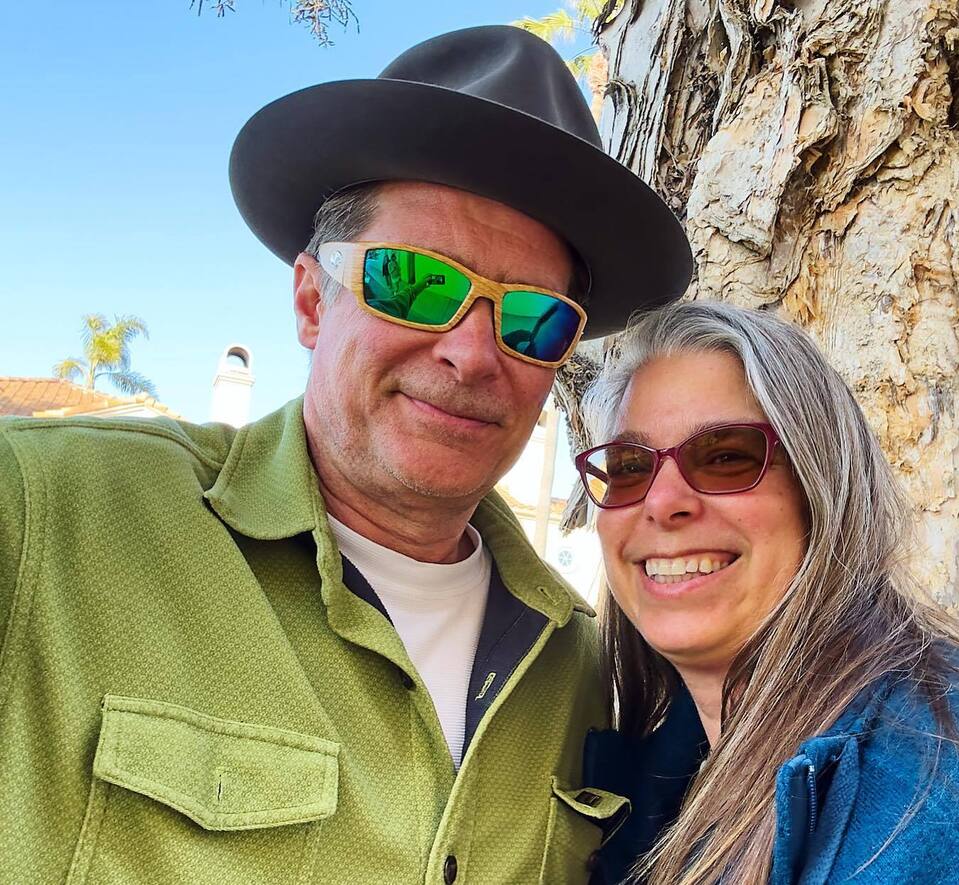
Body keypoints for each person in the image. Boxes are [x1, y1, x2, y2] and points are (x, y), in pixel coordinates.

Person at [0, 26, 692, 883]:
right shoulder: (49, 508)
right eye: (415, 281)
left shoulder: (575, 668)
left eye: (532, 319)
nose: (473, 353)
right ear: (310, 301)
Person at [575, 300, 959, 884]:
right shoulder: (667, 760)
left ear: (822, 488)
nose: (662, 502)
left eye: (727, 457)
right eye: (630, 467)